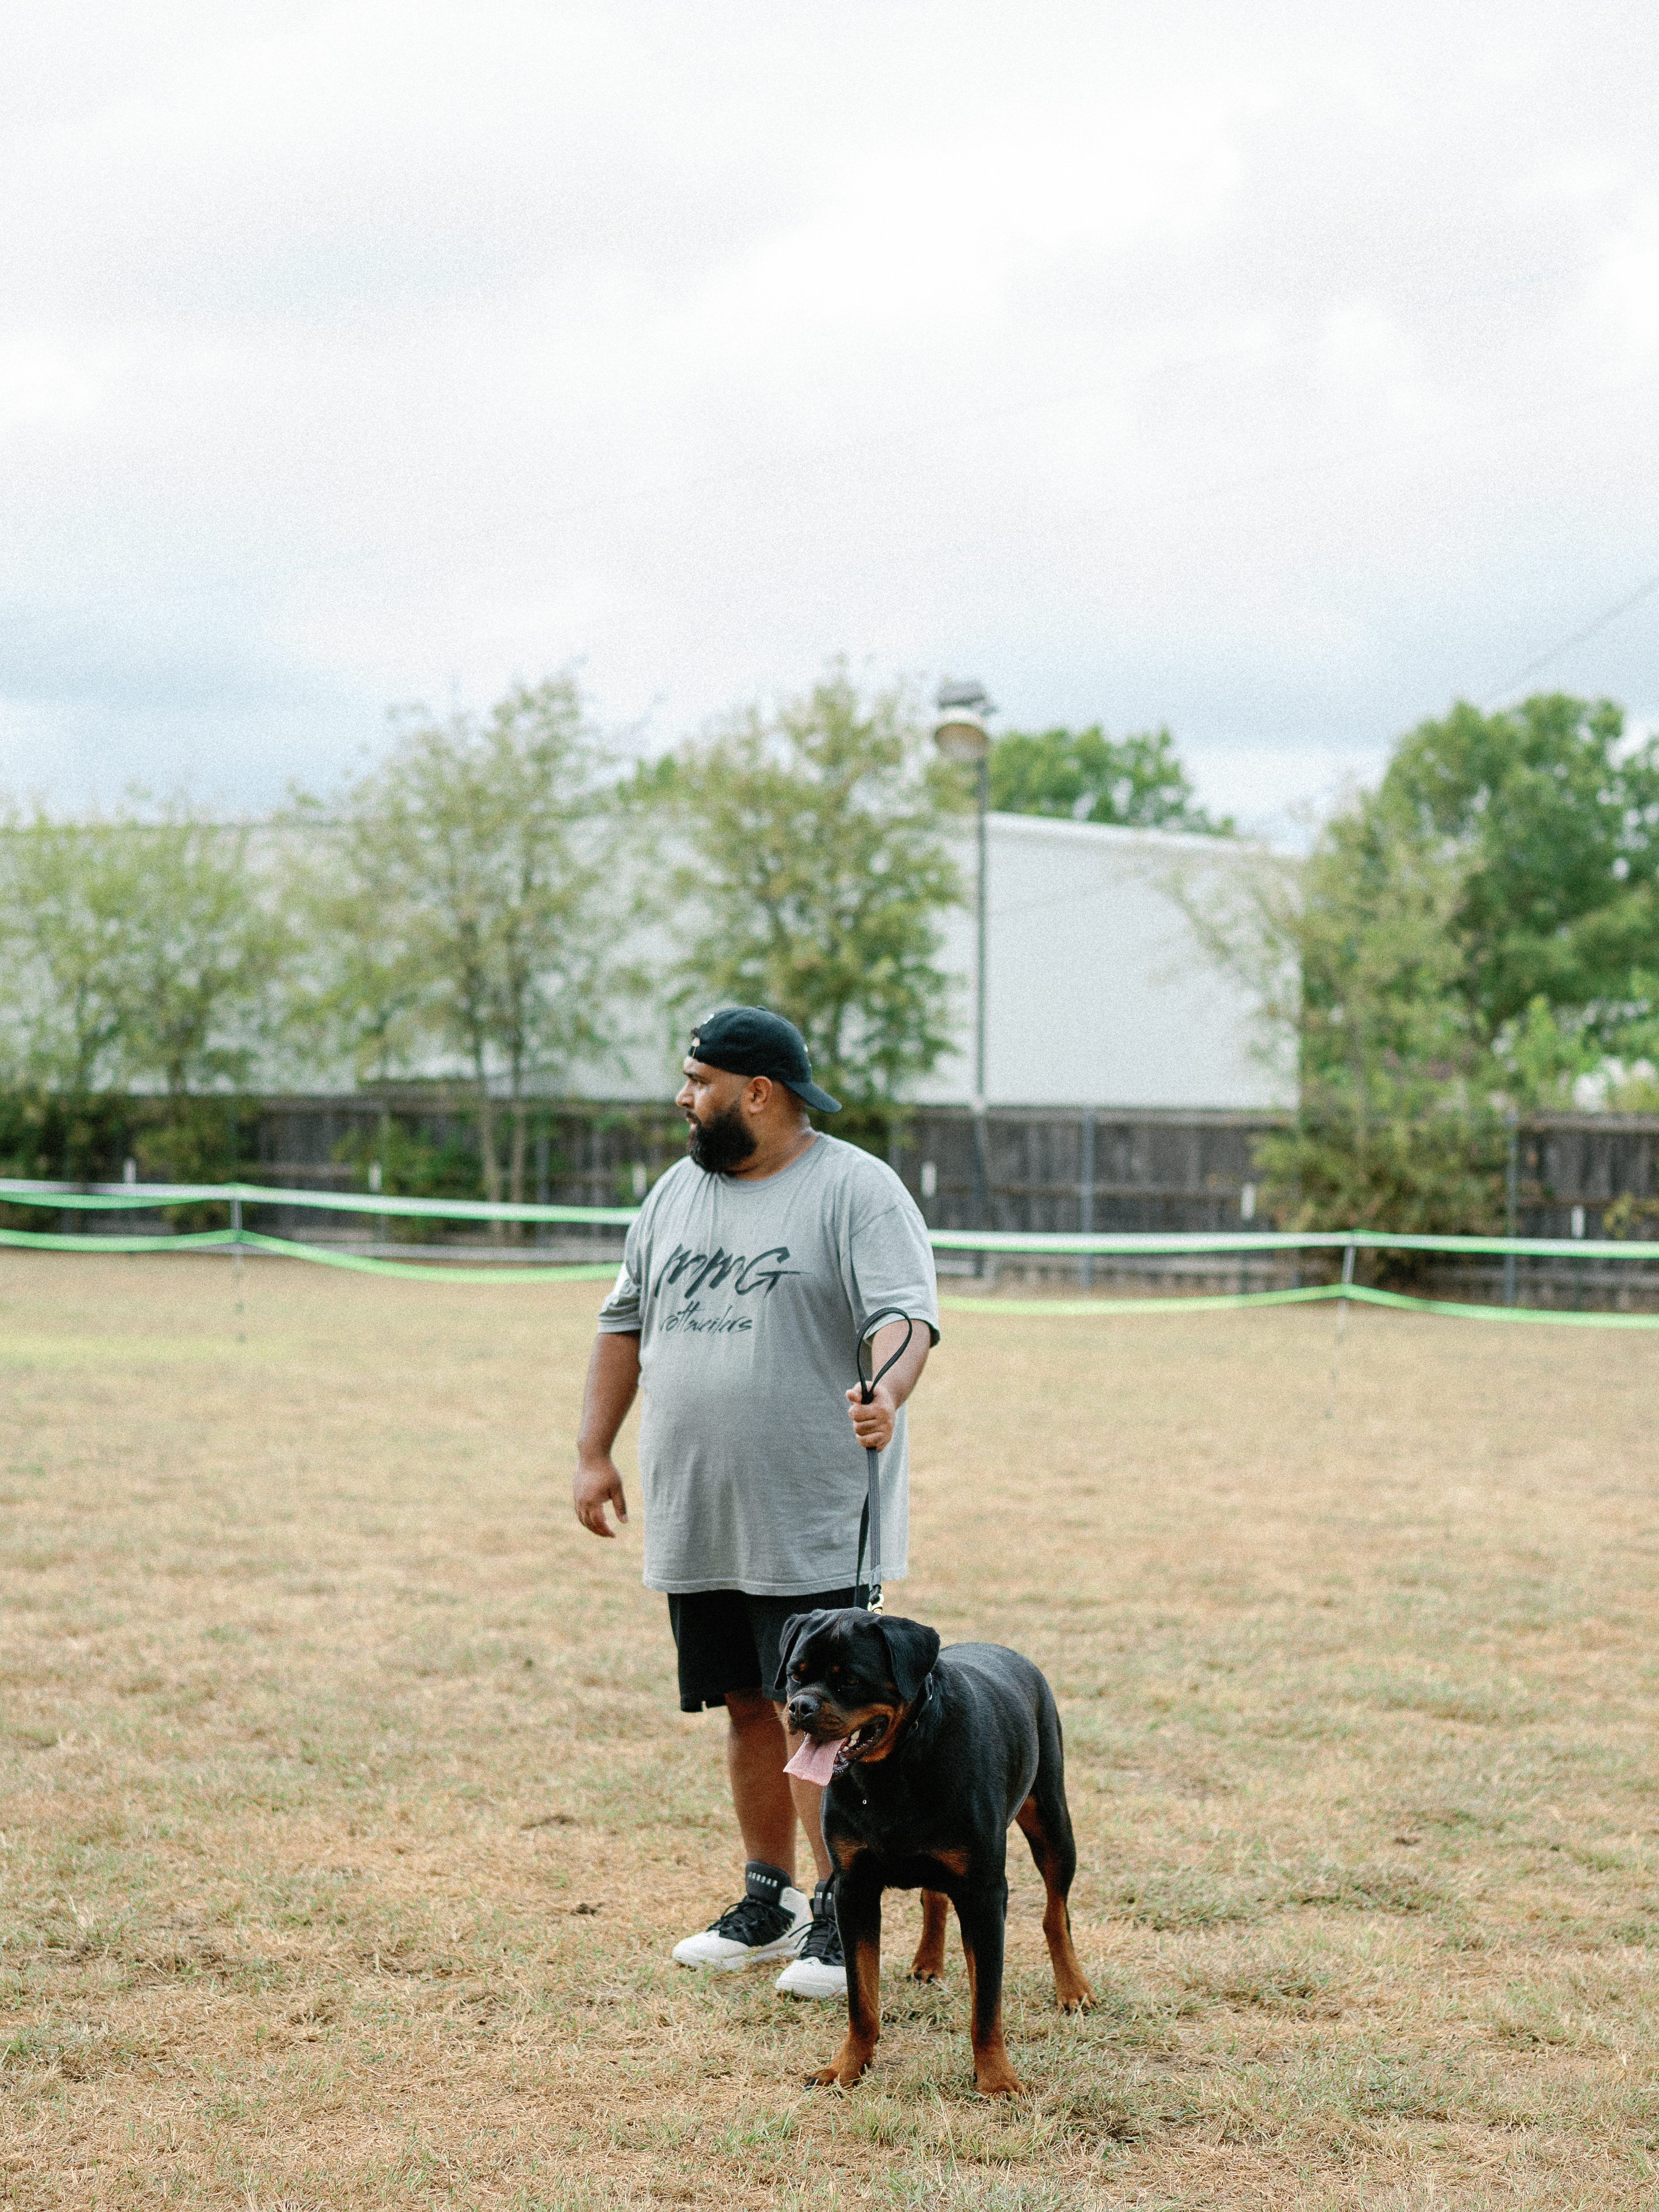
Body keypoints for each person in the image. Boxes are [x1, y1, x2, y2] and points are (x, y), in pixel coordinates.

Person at [572, 1006, 938, 1999]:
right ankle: (769, 1900)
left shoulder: (856, 1189)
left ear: (757, 1092)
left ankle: (840, 1911)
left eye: (698, 1080)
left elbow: (908, 1316)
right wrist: (593, 1452)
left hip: (813, 1511)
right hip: (701, 1511)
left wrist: (888, 1393)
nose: (683, 1099)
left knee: (820, 1720)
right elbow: (623, 1323)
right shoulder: (673, 1195)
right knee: (745, 1704)